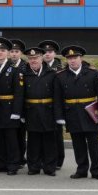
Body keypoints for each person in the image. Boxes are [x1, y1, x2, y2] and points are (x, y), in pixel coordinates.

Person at [54, 45, 98, 181]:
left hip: (90, 111)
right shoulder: (61, 76)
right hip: (72, 112)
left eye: (75, 57)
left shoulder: (92, 73)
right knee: (78, 143)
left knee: (94, 143)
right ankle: (81, 169)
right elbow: (58, 98)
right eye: (69, 58)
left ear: (81, 58)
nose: (72, 60)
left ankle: (97, 170)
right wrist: (59, 116)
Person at [0, 37, 24, 175]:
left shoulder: (15, 69)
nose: (0, 52)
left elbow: (19, 92)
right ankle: (1, 163)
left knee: (11, 138)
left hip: (10, 107)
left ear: (8, 53)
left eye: (3, 50)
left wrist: (17, 111)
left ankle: (13, 164)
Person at [23, 46, 58, 176]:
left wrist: (58, 113)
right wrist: (21, 114)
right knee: (33, 141)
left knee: (49, 141)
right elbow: (20, 96)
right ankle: (33, 167)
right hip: (31, 111)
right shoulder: (24, 73)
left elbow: (57, 95)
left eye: (36, 58)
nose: (33, 60)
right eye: (30, 58)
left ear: (42, 58)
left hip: (48, 110)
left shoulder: (51, 73)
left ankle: (50, 167)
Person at [39, 39, 65, 168]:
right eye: (45, 52)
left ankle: (58, 160)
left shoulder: (60, 69)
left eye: (50, 51)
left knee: (56, 134)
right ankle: (44, 159)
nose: (47, 54)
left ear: (54, 53)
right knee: (42, 134)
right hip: (41, 105)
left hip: (55, 105)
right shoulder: (39, 67)